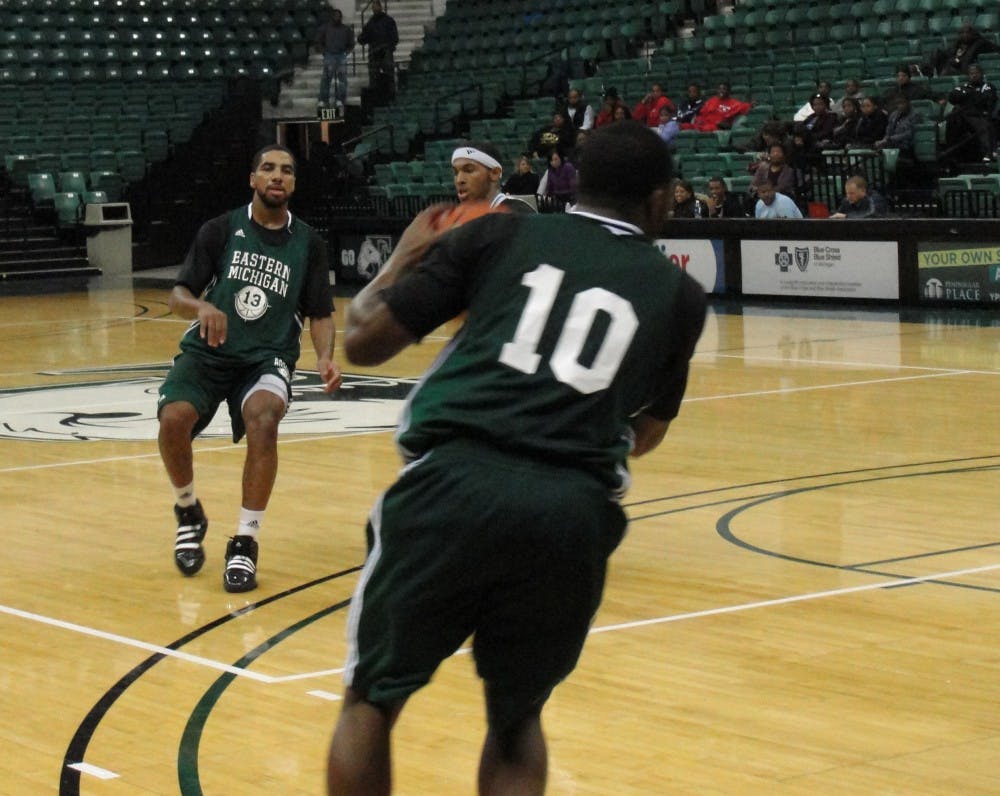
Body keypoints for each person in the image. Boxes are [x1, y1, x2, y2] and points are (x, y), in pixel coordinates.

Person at [326, 119, 707, 796]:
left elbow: (362, 342)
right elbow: (647, 433)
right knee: (517, 720)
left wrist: (404, 256)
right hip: (571, 512)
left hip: (451, 486)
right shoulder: (680, 295)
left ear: (577, 184)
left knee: (371, 701)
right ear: (658, 199)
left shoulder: (500, 235)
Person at [157, 145, 342, 593]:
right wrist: (201, 307)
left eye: (287, 171)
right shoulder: (220, 229)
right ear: (253, 179)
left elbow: (320, 313)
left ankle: (245, 541)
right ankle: (188, 510)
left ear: (294, 183)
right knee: (173, 420)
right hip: (209, 351)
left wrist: (324, 356)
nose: (278, 176)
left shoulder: (309, 244)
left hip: (266, 357)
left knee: (264, 418)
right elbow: (178, 295)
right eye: (268, 168)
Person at [451, 140, 536, 213]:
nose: (459, 180)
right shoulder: (458, 217)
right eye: (456, 172)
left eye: (469, 170)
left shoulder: (517, 212)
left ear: (495, 173)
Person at [944, 64, 999, 162]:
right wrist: (970, 94)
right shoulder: (963, 87)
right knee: (952, 118)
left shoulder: (988, 87)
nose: (974, 75)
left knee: (982, 124)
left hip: (980, 115)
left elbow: (986, 99)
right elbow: (952, 97)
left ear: (982, 74)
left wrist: (967, 95)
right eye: (971, 73)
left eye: (976, 73)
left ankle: (989, 152)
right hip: (964, 117)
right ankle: (951, 155)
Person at [315, 7, 355, 111]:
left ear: (341, 17)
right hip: (329, 54)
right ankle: (323, 99)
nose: (337, 17)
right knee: (326, 78)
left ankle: (340, 99)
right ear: (332, 16)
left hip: (341, 55)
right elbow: (319, 41)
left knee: (342, 79)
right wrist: (324, 52)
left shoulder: (346, 29)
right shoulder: (325, 28)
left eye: (339, 16)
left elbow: (351, 43)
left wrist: (347, 53)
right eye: (335, 16)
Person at [357, 0, 398, 102]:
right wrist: (361, 38)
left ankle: (392, 97)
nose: (375, 9)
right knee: (373, 77)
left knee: (389, 75)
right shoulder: (370, 23)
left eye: (376, 7)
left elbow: (394, 37)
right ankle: (375, 99)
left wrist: (389, 47)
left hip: (385, 51)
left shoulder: (389, 21)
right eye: (373, 7)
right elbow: (363, 38)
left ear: (380, 7)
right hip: (374, 52)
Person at [928, 22, 1000, 77]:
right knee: (936, 52)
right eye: (962, 33)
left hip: (965, 70)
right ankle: (930, 72)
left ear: (973, 34)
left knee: (947, 71)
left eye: (967, 32)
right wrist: (953, 60)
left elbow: (995, 48)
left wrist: (957, 61)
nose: (964, 35)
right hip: (952, 66)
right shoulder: (957, 44)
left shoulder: (979, 43)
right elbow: (949, 53)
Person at [686, 81, 753, 132]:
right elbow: (702, 114)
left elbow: (744, 107)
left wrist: (751, 105)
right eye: (719, 89)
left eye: (724, 89)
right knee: (685, 126)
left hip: (717, 127)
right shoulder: (711, 100)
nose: (721, 91)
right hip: (704, 124)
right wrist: (699, 120)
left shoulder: (734, 103)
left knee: (706, 129)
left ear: (729, 91)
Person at [875, 95, 919, 160]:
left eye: (902, 103)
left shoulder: (915, 115)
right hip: (892, 144)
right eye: (898, 103)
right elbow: (888, 130)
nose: (900, 106)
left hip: (906, 145)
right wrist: (884, 140)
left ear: (908, 103)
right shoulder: (894, 114)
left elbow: (909, 133)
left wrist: (889, 139)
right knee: (876, 150)